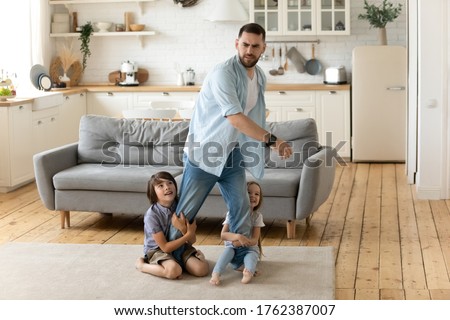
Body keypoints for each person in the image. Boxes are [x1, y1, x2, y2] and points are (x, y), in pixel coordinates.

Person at [168, 23, 293, 262]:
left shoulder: (259, 76)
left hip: (233, 153)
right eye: (245, 44)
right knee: (186, 212)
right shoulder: (223, 73)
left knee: (241, 208)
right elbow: (235, 117)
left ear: (263, 48)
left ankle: (241, 258)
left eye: (255, 46)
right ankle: (168, 255)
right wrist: (273, 140)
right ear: (236, 44)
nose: (249, 50)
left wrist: (257, 142)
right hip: (205, 153)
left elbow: (254, 114)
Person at [135, 171, 209, 280]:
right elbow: (165, 247)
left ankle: (183, 261)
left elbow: (192, 241)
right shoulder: (152, 215)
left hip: (181, 247)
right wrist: (188, 234)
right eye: (161, 186)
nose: (167, 187)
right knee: (174, 270)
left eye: (170, 183)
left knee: (202, 270)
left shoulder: (183, 207)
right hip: (158, 250)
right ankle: (142, 265)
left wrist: (183, 229)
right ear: (153, 193)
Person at [209, 181, 265, 285]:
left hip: (249, 249)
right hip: (233, 250)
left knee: (252, 255)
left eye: (257, 194)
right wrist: (238, 237)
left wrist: (240, 242)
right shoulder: (231, 213)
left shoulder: (257, 216)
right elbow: (223, 235)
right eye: (249, 192)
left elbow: (254, 240)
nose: (253, 196)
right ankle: (216, 273)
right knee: (228, 251)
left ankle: (248, 272)